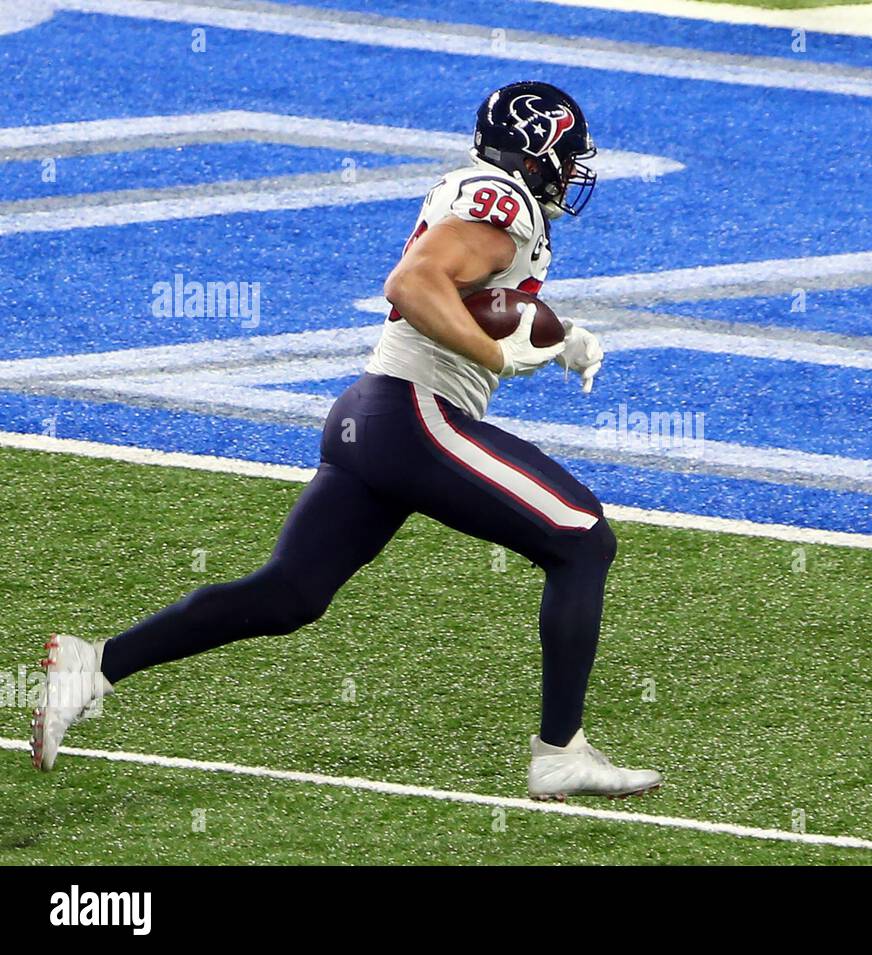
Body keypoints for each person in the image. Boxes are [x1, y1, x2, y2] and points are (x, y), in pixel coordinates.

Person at [31, 81, 662, 802]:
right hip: (414, 415)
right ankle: (559, 754)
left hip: (373, 412)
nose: (574, 171)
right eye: (568, 154)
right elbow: (416, 283)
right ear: (539, 149)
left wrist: (562, 336)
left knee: (289, 593)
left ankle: (97, 663)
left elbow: (482, 295)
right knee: (582, 537)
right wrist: (495, 357)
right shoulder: (503, 200)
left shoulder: (483, 196)